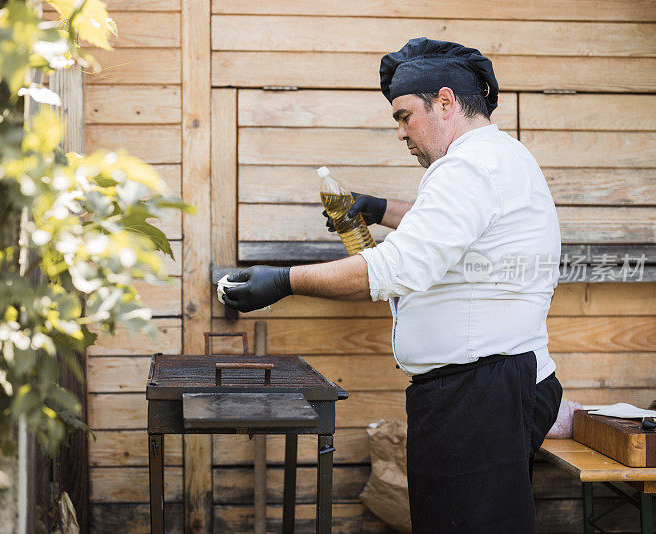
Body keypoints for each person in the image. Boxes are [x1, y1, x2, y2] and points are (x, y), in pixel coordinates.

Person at [222, 38, 563, 534]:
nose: (401, 133)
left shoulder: (468, 166)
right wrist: (381, 209)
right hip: (489, 385)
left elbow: (395, 269)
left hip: (481, 394)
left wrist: (282, 281)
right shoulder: (496, 156)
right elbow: (454, 230)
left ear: (445, 102)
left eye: (405, 116)